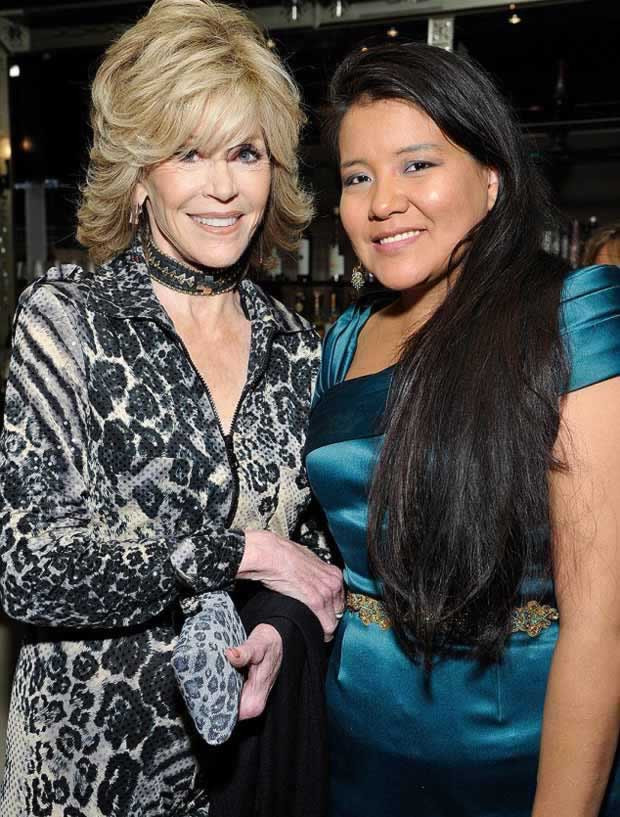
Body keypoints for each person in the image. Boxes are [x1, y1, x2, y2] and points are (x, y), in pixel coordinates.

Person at [0, 1, 343, 814]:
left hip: (245, 776)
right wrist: (239, 552)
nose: (223, 186)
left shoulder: (299, 349)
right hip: (82, 773)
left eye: (245, 152)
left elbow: (312, 560)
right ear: (139, 176)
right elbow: (26, 568)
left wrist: (275, 631)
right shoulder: (69, 320)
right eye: (188, 153)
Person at [305, 42, 620, 817]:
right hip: (356, 748)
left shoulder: (572, 318)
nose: (383, 202)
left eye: (417, 165)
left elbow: (601, 629)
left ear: (491, 178)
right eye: (357, 177)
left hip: (519, 758)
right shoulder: (346, 338)